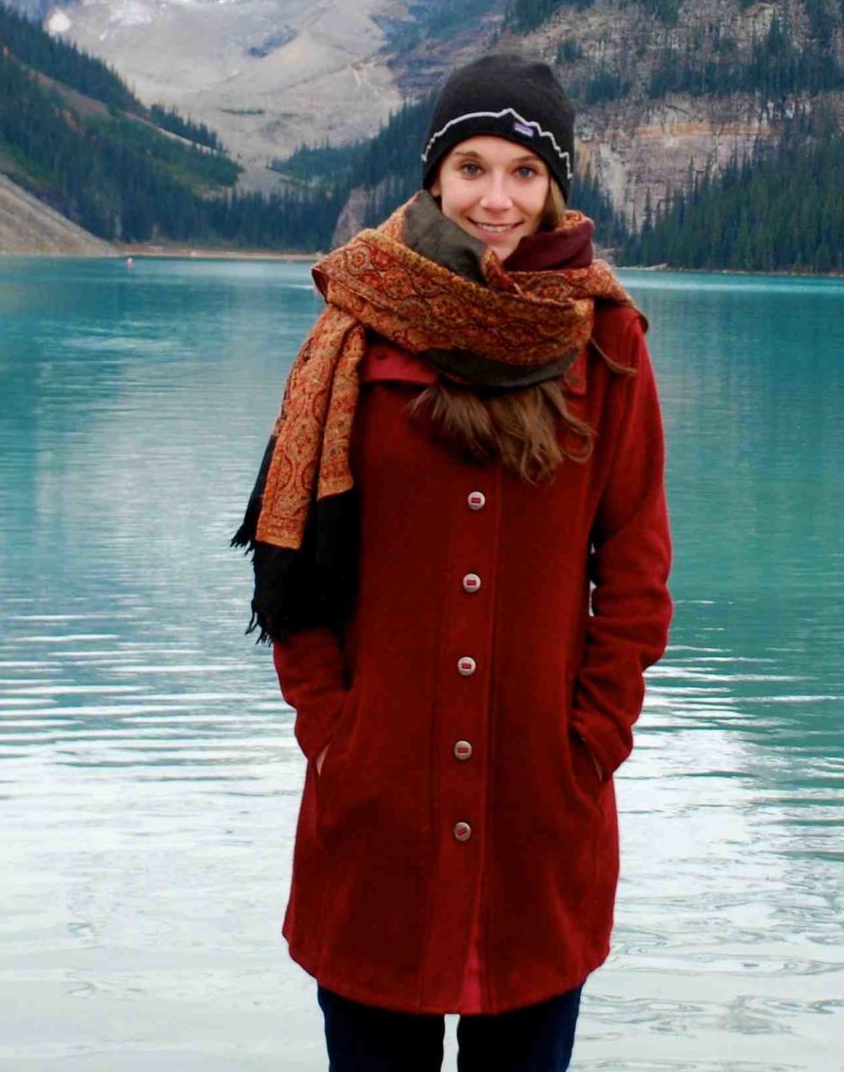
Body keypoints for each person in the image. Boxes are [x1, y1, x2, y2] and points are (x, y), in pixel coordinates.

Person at [233, 52, 672, 1072]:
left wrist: (591, 743)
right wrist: (332, 734)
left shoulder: (606, 341)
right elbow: (292, 556)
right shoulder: (354, 327)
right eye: (472, 167)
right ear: (435, 177)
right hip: (376, 809)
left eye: (523, 171)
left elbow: (638, 565)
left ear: (553, 184)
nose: (496, 198)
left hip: (538, 814)